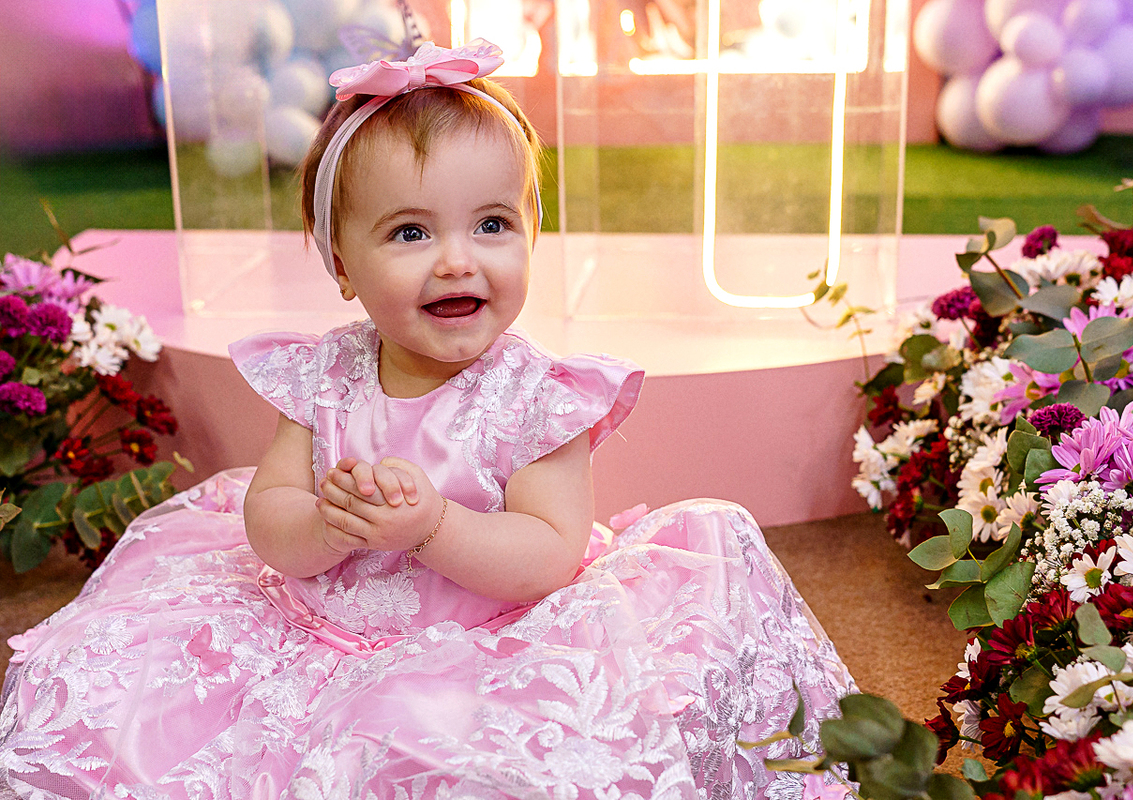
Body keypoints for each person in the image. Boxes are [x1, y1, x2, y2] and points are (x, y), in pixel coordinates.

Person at [0, 39, 855, 799]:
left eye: (492, 225)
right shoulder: (328, 374)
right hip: (318, 625)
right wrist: (324, 527)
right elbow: (270, 515)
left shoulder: (536, 396)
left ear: (531, 235)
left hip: (492, 638)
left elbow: (550, 555)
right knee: (142, 704)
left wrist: (434, 526)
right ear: (342, 264)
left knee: (472, 755)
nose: (456, 260)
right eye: (410, 233)